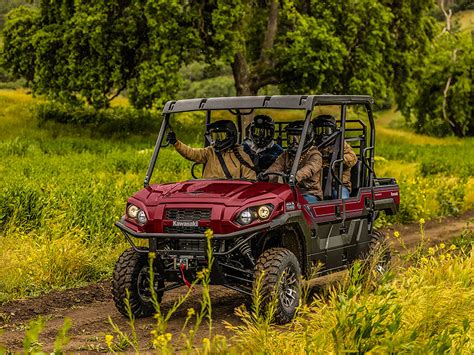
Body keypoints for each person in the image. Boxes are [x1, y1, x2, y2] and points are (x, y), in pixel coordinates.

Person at [166, 120, 256, 180]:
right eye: (215, 136)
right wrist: (176, 143)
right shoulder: (209, 151)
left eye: (222, 136)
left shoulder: (241, 153)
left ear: (231, 135)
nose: (218, 140)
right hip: (209, 191)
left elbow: (250, 179)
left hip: (231, 194)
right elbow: (192, 153)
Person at [259, 121, 323, 203]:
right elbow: (276, 167)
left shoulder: (315, 155)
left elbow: (309, 168)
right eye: (291, 138)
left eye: (298, 139)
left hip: (310, 193)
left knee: (299, 205)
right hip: (289, 191)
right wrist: (267, 176)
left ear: (307, 138)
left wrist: (296, 177)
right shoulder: (286, 154)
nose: (294, 142)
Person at [313, 114, 357, 199]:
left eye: (327, 130)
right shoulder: (314, 146)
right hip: (318, 185)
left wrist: (338, 158)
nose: (323, 134)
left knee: (341, 198)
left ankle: (345, 211)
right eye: (319, 130)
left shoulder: (340, 144)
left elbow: (352, 158)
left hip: (338, 183)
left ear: (333, 131)